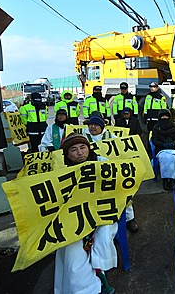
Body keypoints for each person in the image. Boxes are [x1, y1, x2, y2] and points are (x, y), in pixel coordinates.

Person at [55, 133, 118, 294]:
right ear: (67, 154)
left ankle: (100, 275)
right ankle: (86, 288)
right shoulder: (61, 172)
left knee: (102, 239)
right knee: (72, 252)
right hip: (74, 219)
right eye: (74, 150)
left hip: (101, 215)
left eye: (83, 147)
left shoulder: (102, 163)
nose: (80, 153)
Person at [82, 115, 140, 233]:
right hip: (90, 176)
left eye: (96, 125)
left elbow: (122, 151)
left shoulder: (110, 136)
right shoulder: (83, 137)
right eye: (91, 125)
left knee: (124, 192)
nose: (93, 127)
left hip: (109, 174)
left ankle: (130, 219)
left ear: (102, 127)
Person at [151, 109, 175, 191]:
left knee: (173, 158)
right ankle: (165, 180)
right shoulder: (156, 127)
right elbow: (154, 140)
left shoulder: (174, 126)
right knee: (165, 158)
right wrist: (163, 145)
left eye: (166, 116)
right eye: (162, 116)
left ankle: (172, 180)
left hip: (172, 148)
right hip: (161, 149)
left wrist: (173, 143)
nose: (165, 118)